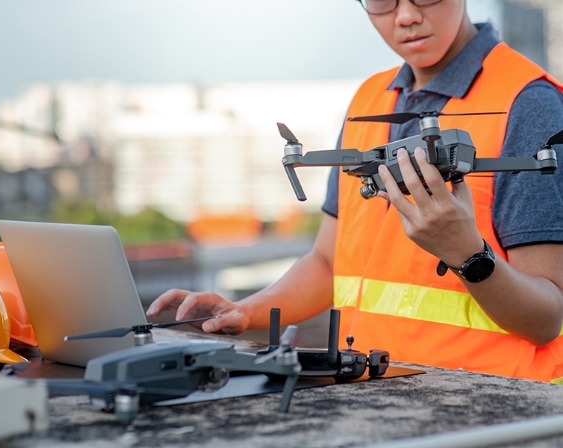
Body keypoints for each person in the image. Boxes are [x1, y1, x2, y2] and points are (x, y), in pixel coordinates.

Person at [148, 0, 563, 382]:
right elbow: (329, 262)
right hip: (372, 395)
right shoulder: (369, 100)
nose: (405, 16)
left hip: (489, 409)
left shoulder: (529, 104)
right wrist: (245, 310)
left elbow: (547, 317)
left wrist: (467, 254)